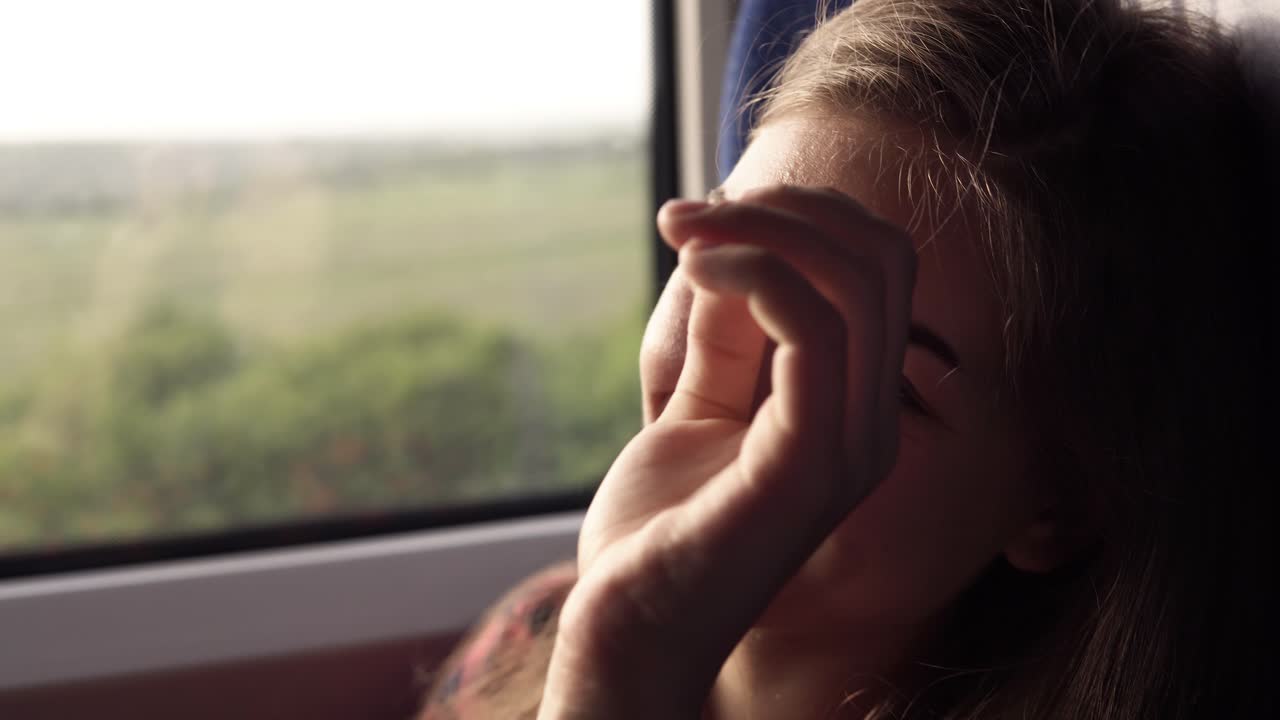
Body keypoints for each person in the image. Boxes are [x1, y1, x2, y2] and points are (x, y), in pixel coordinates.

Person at [416, 0, 1275, 717]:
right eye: (733, 272)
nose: (764, 381)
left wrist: (622, 665)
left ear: (1058, 508)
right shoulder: (531, 624)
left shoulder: (601, 640)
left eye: (879, 374)